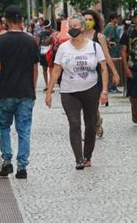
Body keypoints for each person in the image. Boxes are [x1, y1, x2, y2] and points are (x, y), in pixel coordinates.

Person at [45, 15, 108, 169]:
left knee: (91, 124)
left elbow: (103, 68)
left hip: (90, 90)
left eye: (76, 26)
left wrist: (104, 91)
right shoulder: (63, 48)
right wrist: (49, 92)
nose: (73, 29)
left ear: (83, 27)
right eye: (70, 26)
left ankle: (88, 156)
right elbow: (56, 70)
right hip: (69, 92)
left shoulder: (94, 46)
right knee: (74, 123)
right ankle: (78, 159)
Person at [0, 5, 39, 180]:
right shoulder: (31, 41)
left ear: (5, 21)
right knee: (24, 130)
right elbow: (35, 68)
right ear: (22, 20)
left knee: (4, 128)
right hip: (26, 92)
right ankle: (22, 166)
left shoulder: (0, 41)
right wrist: (33, 88)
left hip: (6, 92)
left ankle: (7, 161)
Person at [82, 10, 120, 137]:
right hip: (81, 73)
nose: (87, 22)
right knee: (84, 104)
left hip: (96, 73)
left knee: (92, 103)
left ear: (95, 21)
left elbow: (107, 56)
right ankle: (94, 122)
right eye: (85, 19)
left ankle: (94, 125)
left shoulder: (99, 37)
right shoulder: (77, 36)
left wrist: (115, 72)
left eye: (90, 19)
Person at [38, 19, 53, 91]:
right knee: (51, 69)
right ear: (50, 25)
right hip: (51, 53)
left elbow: (37, 44)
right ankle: (50, 85)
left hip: (43, 53)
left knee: (45, 69)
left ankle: (47, 84)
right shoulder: (53, 32)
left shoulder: (40, 33)